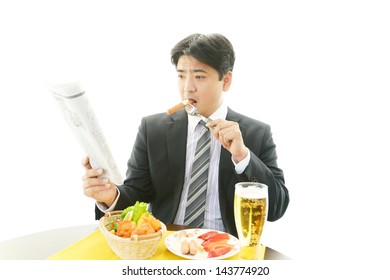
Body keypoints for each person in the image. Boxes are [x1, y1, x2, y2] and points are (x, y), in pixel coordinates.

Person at [82, 33, 289, 237]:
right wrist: (110, 196)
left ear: (225, 81)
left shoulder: (256, 133)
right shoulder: (153, 128)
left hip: (225, 251)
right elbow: (136, 194)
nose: (187, 88)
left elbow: (276, 209)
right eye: (181, 76)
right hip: (166, 245)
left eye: (199, 76)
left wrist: (243, 157)